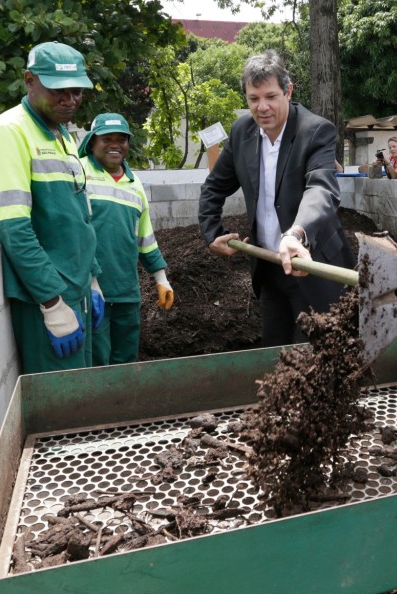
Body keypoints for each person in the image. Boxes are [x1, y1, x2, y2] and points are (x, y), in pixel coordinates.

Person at [199, 50, 353, 346]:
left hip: (314, 268)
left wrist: (296, 233)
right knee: (277, 352)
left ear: (288, 90)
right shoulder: (242, 132)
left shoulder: (315, 130)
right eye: (253, 99)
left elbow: (320, 188)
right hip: (269, 269)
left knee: (319, 355)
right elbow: (214, 187)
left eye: (270, 96)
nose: (262, 107)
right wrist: (212, 234)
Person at [0, 41, 103, 375]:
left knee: (82, 394)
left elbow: (79, 213)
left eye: (77, 91)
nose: (70, 99)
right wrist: (52, 304)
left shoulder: (60, 134)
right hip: (48, 298)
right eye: (59, 90)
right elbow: (13, 229)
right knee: (61, 408)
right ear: (29, 81)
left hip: (76, 288)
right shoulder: (8, 132)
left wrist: (91, 278)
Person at [77, 113, 173, 366]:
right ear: (92, 142)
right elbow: (73, 235)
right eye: (107, 138)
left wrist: (161, 279)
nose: (115, 145)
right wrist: (91, 280)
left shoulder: (134, 184)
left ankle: (123, 404)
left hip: (126, 291)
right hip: (91, 290)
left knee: (125, 359)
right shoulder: (79, 173)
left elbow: (145, 238)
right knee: (98, 360)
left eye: (121, 139)